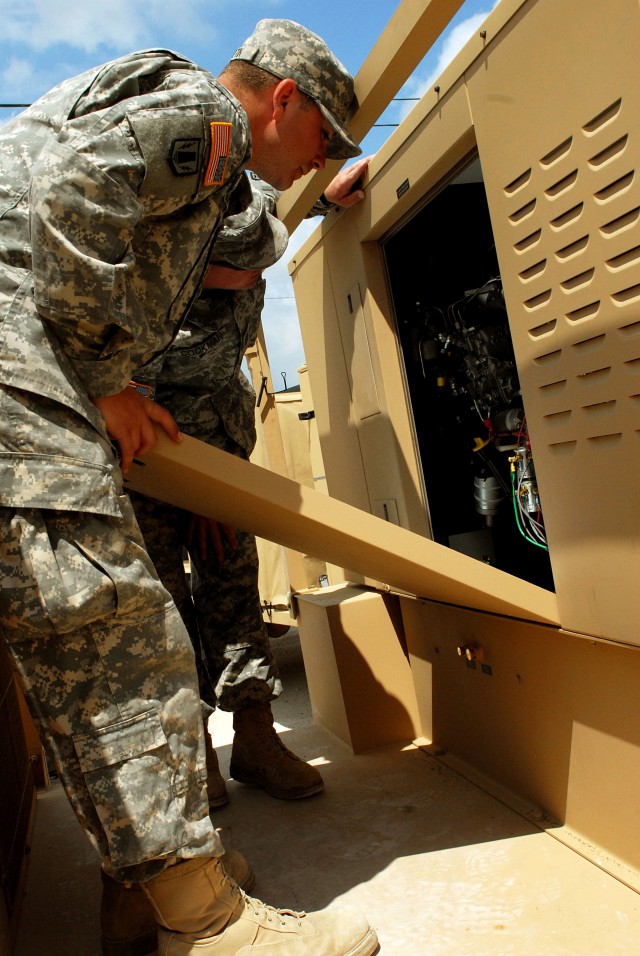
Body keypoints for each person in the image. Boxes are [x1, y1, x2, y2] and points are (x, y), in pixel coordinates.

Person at [0, 17, 378, 956]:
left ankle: (147, 894)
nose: (312, 160)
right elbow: (72, 190)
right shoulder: (208, 119)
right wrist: (106, 377)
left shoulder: (208, 158)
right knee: (123, 637)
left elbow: (230, 234)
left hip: (36, 370)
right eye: (320, 138)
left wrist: (319, 199)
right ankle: (204, 921)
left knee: (89, 646)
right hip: (25, 369)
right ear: (282, 99)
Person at [129, 159, 370, 812]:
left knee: (233, 584)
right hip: (145, 459)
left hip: (222, 444)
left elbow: (265, 217)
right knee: (163, 607)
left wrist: (322, 196)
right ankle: (194, 757)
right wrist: (188, 484)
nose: (247, 279)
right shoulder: (144, 257)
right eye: (233, 268)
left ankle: (257, 741)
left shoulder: (242, 223)